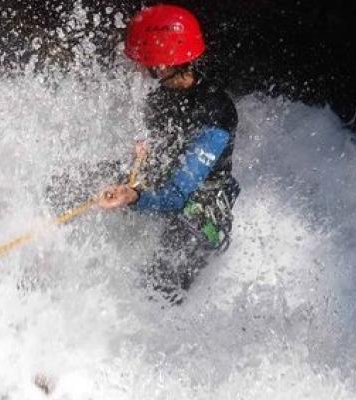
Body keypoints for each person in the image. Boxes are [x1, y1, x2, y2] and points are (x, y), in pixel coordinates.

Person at [97, 4, 239, 304]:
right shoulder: (160, 99)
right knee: (78, 180)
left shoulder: (216, 111)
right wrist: (140, 155)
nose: (142, 69)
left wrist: (133, 197)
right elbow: (154, 154)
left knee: (162, 280)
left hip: (205, 207)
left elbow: (176, 196)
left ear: (162, 65)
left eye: (146, 62)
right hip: (168, 181)